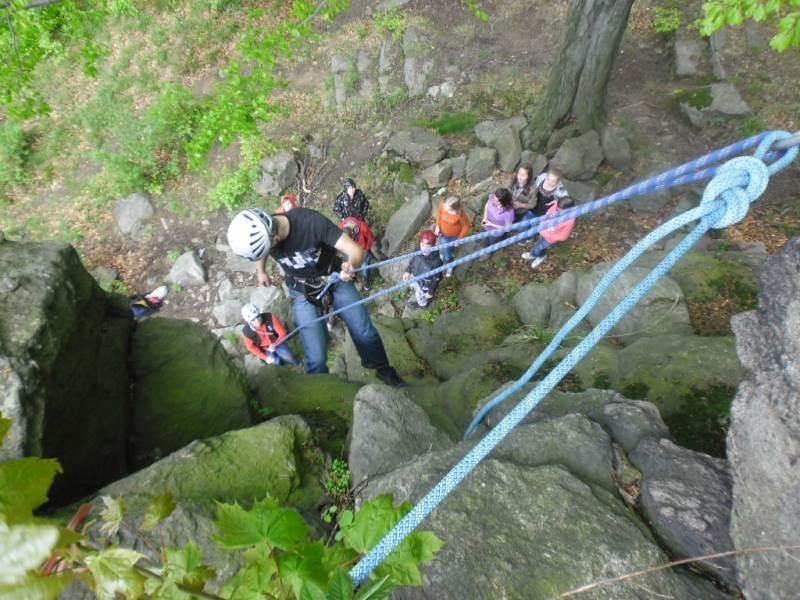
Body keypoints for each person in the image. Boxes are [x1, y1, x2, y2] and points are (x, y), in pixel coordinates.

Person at [227, 206, 406, 386]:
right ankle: (322, 392)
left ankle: (383, 370)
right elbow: (262, 251)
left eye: (268, 247)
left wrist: (351, 265)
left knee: (364, 331)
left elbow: (356, 251)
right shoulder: (265, 235)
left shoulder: (311, 222)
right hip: (301, 287)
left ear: (273, 236)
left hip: (334, 276)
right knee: (316, 358)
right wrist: (261, 270)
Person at [521, 196, 576, 269]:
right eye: (557, 208)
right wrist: (543, 224)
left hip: (549, 238)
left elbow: (563, 237)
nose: (558, 211)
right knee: (541, 246)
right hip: (543, 231)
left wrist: (550, 235)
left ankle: (533, 255)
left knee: (538, 247)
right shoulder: (556, 206)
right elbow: (547, 214)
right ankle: (542, 255)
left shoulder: (569, 220)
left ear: (568, 210)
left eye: (561, 210)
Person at [402, 230, 443, 309]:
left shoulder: (437, 262)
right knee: (409, 281)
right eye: (422, 245)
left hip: (425, 284)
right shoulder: (418, 249)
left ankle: (423, 304)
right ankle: (420, 294)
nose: (424, 248)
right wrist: (408, 270)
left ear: (433, 246)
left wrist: (431, 291)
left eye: (427, 246)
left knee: (419, 295)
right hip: (415, 275)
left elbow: (437, 278)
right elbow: (413, 260)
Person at [435, 196, 471, 278]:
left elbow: (467, 226)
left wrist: (459, 239)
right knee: (445, 249)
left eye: (446, 207)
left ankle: (450, 266)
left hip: (453, 237)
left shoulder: (460, 215)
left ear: (454, 208)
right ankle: (446, 257)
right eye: (444, 205)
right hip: (443, 233)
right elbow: (439, 213)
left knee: (447, 254)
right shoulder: (443, 205)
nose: (444, 207)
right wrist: (437, 226)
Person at [339, 216, 377, 291]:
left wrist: (364, 252)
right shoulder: (340, 228)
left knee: (365, 268)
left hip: (363, 252)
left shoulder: (363, 227)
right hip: (350, 253)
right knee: (350, 267)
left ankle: (366, 280)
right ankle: (356, 277)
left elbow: (370, 241)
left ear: (353, 232)